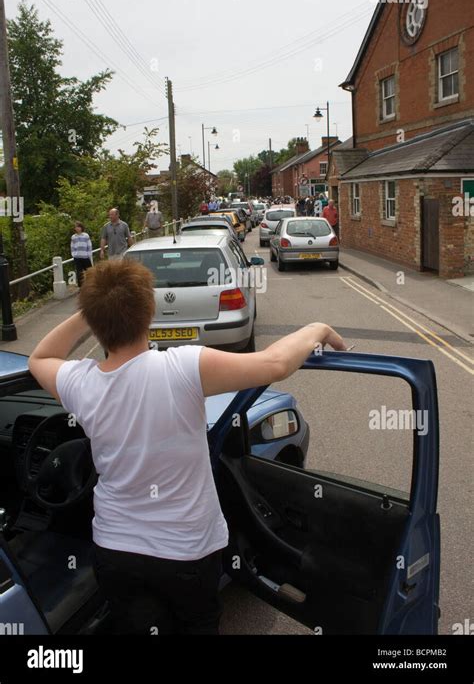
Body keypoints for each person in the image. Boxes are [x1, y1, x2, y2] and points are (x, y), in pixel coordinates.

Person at [28, 259, 347, 635]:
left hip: (114, 551)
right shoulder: (182, 367)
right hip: (186, 553)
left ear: (94, 321)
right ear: (150, 312)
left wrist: (93, 310)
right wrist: (316, 328)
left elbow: (40, 357)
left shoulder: (80, 383)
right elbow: (275, 363)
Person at [70, 222, 93, 287]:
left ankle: (91, 284)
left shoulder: (86, 235)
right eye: (76, 227)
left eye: (78, 227)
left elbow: (89, 245)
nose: (77, 228)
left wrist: (88, 254)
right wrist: (73, 254)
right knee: (79, 272)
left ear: (81, 227)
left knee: (89, 271)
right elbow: (72, 246)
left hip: (85, 256)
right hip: (77, 257)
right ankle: (81, 286)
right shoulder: (73, 237)